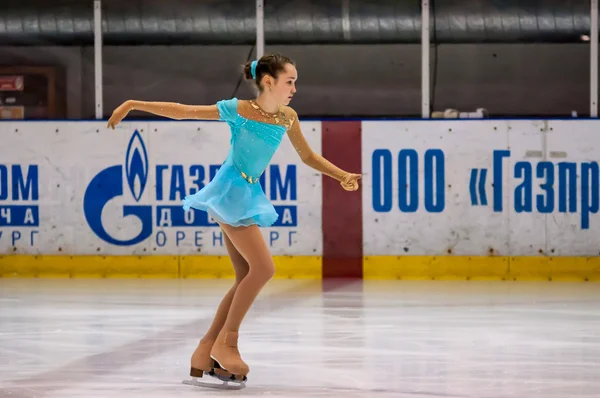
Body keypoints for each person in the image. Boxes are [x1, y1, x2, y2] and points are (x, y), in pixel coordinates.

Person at [106, 53, 361, 384]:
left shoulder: (287, 117)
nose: (295, 88)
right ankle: (228, 343)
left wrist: (340, 175)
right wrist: (133, 103)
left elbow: (309, 156)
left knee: (246, 275)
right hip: (230, 191)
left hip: (247, 193)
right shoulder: (239, 110)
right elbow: (183, 112)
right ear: (268, 82)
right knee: (264, 269)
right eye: (290, 81)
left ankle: (205, 348)